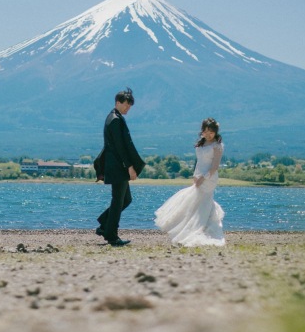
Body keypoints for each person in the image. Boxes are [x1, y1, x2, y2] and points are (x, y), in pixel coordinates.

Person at [154, 118, 226, 247]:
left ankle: (199, 230)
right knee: (196, 204)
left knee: (200, 203)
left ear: (216, 132)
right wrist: (195, 176)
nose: (209, 134)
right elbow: (200, 162)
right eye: (206, 131)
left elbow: (214, 167)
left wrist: (203, 178)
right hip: (198, 176)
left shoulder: (217, 146)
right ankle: (194, 229)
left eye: (211, 132)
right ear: (202, 132)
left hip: (209, 178)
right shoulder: (201, 144)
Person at [95, 87, 144, 247]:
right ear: (118, 102)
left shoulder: (114, 117)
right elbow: (120, 147)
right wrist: (130, 166)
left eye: (130, 105)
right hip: (117, 166)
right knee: (118, 201)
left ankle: (104, 225)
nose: (128, 108)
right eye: (126, 104)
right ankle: (112, 236)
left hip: (116, 166)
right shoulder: (115, 120)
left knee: (126, 199)